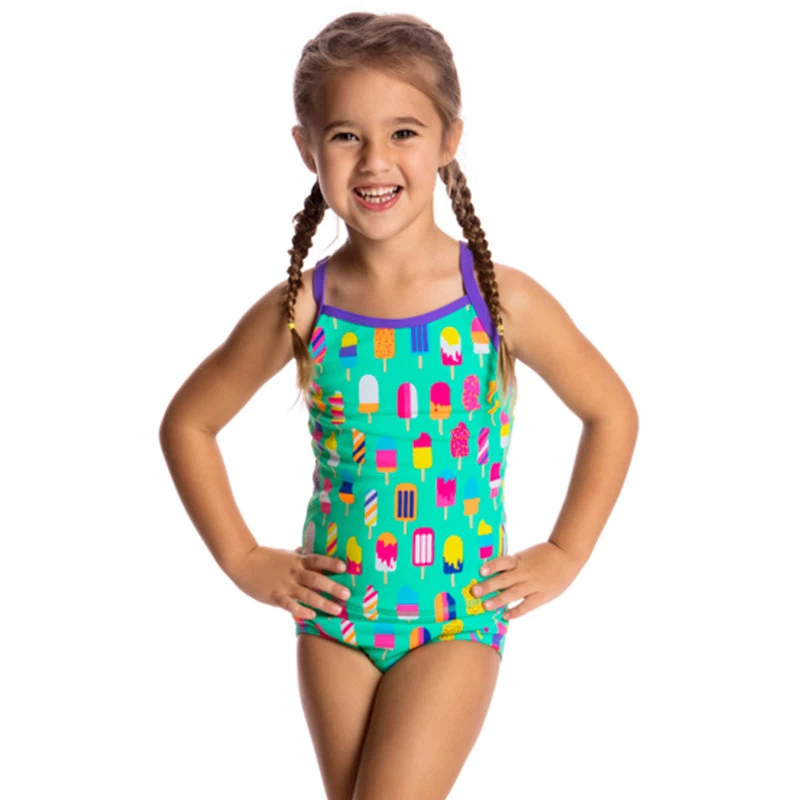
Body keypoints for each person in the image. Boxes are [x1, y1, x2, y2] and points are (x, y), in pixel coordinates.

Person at [159, 11, 639, 799]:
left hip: (455, 616)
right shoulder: (304, 307)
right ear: (306, 149)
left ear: (450, 139)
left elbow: (611, 411)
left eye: (404, 133)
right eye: (346, 136)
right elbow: (189, 423)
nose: (375, 160)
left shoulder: (497, 299)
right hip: (335, 619)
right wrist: (243, 558)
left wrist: (566, 551)